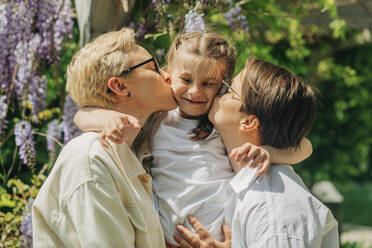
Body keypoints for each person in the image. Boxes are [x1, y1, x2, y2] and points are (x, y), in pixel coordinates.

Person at [74, 32, 313, 245]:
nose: (195, 92)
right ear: (169, 75)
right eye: (186, 80)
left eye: (209, 84)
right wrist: (107, 120)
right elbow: (81, 116)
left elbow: (304, 146)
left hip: (217, 234)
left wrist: (268, 152)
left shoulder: (218, 122)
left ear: (223, 84)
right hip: (165, 237)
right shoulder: (158, 117)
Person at [31, 28, 177, 247]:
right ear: (120, 86)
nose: (168, 76)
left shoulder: (136, 151)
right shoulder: (91, 161)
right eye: (154, 68)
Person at [174, 58, 339, 248]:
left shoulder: (273, 209)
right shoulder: (247, 186)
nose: (217, 92)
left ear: (248, 122)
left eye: (228, 90)